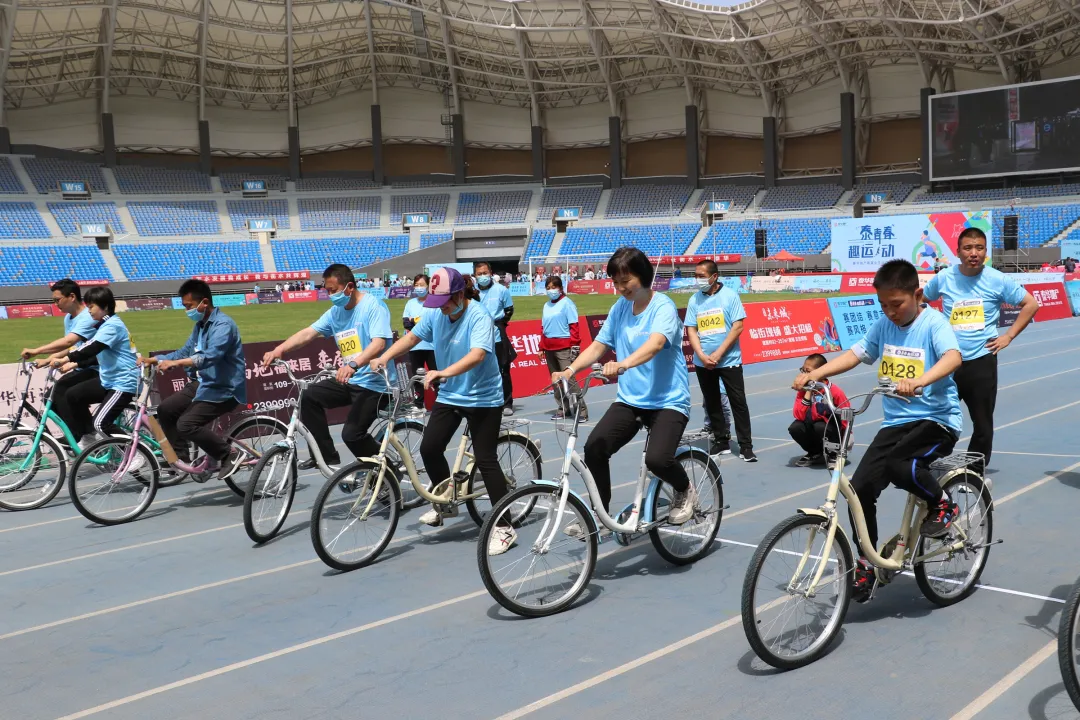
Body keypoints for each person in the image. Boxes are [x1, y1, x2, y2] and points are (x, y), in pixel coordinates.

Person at [793, 259, 963, 603]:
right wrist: (816, 375)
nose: (890, 312)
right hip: (897, 424)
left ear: (917, 294)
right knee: (859, 489)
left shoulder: (933, 324)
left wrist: (921, 380)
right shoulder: (884, 326)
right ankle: (868, 564)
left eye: (896, 304)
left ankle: (942, 504)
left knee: (903, 466)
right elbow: (856, 355)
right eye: (883, 305)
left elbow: (953, 357)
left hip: (937, 421)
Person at [552, 247, 698, 537]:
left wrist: (623, 364)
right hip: (631, 400)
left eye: (625, 281)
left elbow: (656, 344)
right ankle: (600, 513)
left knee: (657, 460)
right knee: (595, 446)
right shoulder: (620, 308)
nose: (620, 288)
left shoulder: (663, 307)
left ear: (643, 276)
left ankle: (685, 489)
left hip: (668, 400)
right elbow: (598, 346)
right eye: (615, 282)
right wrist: (569, 371)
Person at [370, 268, 515, 555]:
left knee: (486, 460)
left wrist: (442, 372)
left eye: (446, 301)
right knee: (430, 448)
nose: (442, 307)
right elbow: (412, 339)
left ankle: (504, 526)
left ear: (460, 295)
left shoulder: (479, 316)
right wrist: (383, 356)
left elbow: (478, 354)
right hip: (451, 394)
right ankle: (444, 502)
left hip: (483, 398)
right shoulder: (437, 313)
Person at [922, 227, 1038, 471]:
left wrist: (1008, 336)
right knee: (936, 417)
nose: (973, 253)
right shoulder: (944, 277)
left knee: (982, 424)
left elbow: (1031, 304)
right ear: (958, 252)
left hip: (981, 360)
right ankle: (927, 464)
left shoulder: (997, 279)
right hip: (947, 360)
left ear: (985, 252)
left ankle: (973, 474)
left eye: (979, 248)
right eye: (968, 248)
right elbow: (921, 299)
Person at [262, 264, 394, 470]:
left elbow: (379, 344)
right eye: (327, 290)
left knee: (351, 435)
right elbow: (308, 333)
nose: (330, 295)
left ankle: (388, 473)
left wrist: (353, 364)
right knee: (309, 396)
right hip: (350, 379)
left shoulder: (373, 306)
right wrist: (279, 349)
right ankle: (325, 455)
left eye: (333, 290)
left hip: (376, 384)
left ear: (349, 287)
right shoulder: (335, 312)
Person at [141, 279, 247, 479]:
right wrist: (154, 359)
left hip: (224, 388)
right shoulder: (200, 326)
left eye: (189, 306)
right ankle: (180, 459)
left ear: (204, 303)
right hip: (203, 384)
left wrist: (178, 363)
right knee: (166, 409)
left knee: (186, 424)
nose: (186, 311)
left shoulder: (223, 325)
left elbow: (211, 356)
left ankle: (229, 454)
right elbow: (184, 351)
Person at [684, 260, 757, 461]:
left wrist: (718, 354)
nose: (697, 279)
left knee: (738, 403)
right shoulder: (694, 300)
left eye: (701, 275)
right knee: (712, 402)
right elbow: (691, 328)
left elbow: (738, 327)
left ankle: (746, 446)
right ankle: (721, 440)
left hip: (729, 360)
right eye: (695, 275)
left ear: (714, 276)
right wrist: (700, 354)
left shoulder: (730, 296)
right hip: (703, 362)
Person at [50, 286, 138, 445]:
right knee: (72, 395)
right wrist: (72, 361)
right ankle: (88, 435)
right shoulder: (104, 325)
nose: (88, 311)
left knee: (100, 423)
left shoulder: (112, 326)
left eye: (91, 306)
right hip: (108, 380)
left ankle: (135, 453)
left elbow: (91, 348)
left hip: (121, 382)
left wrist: (66, 359)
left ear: (104, 307)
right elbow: (92, 351)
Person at [20, 279, 101, 446]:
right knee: (53, 395)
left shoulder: (87, 317)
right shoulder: (68, 319)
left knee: (63, 391)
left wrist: (37, 350)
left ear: (72, 297)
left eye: (57, 300)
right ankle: (83, 432)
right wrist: (48, 360)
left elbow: (67, 342)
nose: (55, 303)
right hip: (82, 365)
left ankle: (86, 435)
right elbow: (71, 347)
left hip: (97, 366)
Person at [787, 353, 849, 469]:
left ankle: (834, 453)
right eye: (803, 370)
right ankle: (815, 453)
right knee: (795, 428)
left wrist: (845, 441)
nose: (803, 374)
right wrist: (809, 391)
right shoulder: (803, 391)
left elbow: (846, 416)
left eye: (807, 371)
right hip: (814, 425)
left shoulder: (834, 391)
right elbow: (798, 414)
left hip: (834, 430)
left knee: (820, 426)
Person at [540, 276, 586, 421]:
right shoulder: (546, 305)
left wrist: (575, 345)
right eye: (548, 288)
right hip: (549, 347)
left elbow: (574, 326)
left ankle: (581, 409)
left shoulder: (567, 304)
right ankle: (563, 408)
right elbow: (543, 328)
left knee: (569, 379)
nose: (551, 291)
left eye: (554, 287)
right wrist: (541, 347)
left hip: (564, 347)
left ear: (560, 288)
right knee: (556, 380)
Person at [474, 261, 516, 416]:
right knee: (481, 370)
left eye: (485, 273)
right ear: (475, 275)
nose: (483, 276)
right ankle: (487, 401)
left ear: (491, 273)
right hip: (479, 337)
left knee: (503, 370)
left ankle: (507, 402)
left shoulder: (501, 290)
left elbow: (509, 310)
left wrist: (500, 324)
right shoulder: (473, 292)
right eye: (479, 274)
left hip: (497, 336)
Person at [403, 273, 438, 407]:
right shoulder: (410, 303)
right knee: (417, 377)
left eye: (421, 285)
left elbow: (435, 323)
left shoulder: (434, 303)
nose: (418, 288)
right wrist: (418, 321)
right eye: (416, 285)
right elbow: (406, 323)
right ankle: (418, 404)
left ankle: (440, 403)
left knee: (436, 376)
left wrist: (415, 320)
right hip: (415, 345)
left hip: (432, 346)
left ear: (428, 286)